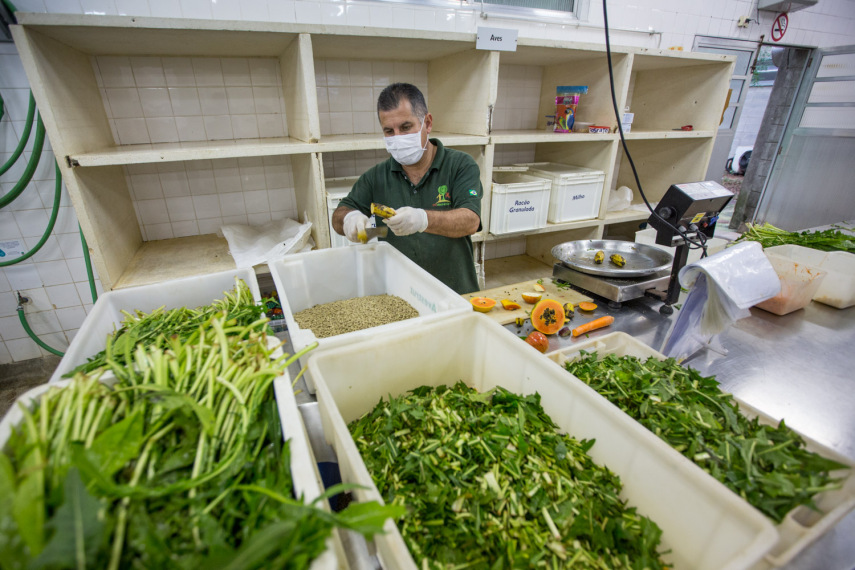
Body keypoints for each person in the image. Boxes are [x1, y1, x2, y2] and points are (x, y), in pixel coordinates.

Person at [331, 83, 483, 295]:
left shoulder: (460, 165)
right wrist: (351, 220)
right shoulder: (376, 177)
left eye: (405, 127)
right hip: (400, 295)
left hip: (455, 292)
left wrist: (423, 219)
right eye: (388, 131)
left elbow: (470, 220)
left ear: (427, 123)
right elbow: (339, 215)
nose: (398, 138)